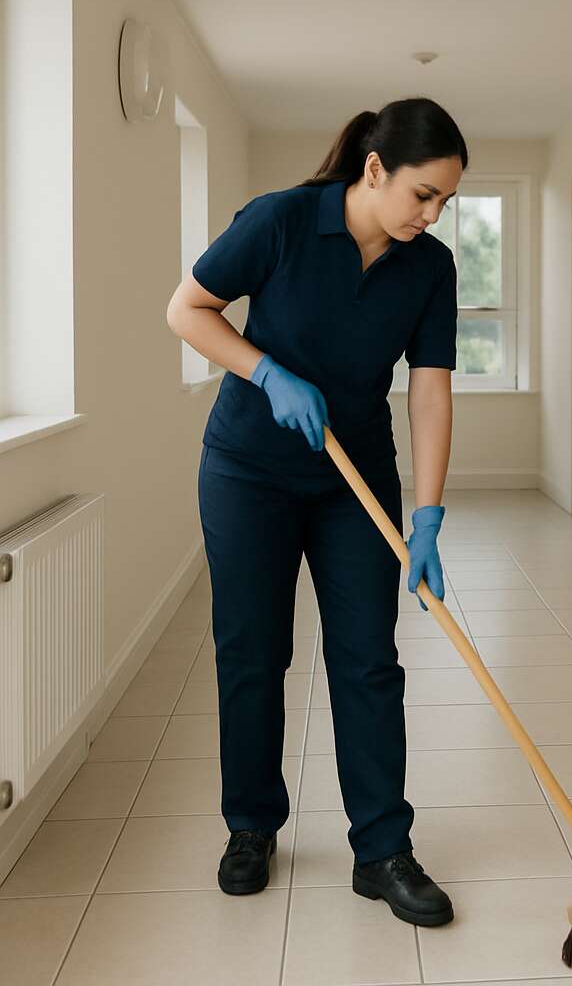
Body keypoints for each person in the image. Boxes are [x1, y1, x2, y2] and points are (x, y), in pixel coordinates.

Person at [165, 97, 467, 928]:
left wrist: (431, 514)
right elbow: (186, 309)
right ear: (375, 169)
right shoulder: (281, 221)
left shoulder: (429, 266)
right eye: (423, 194)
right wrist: (266, 372)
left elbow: (432, 390)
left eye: (445, 201)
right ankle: (251, 827)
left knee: (369, 658)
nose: (432, 214)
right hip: (247, 469)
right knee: (254, 651)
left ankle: (382, 850)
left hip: (353, 477)